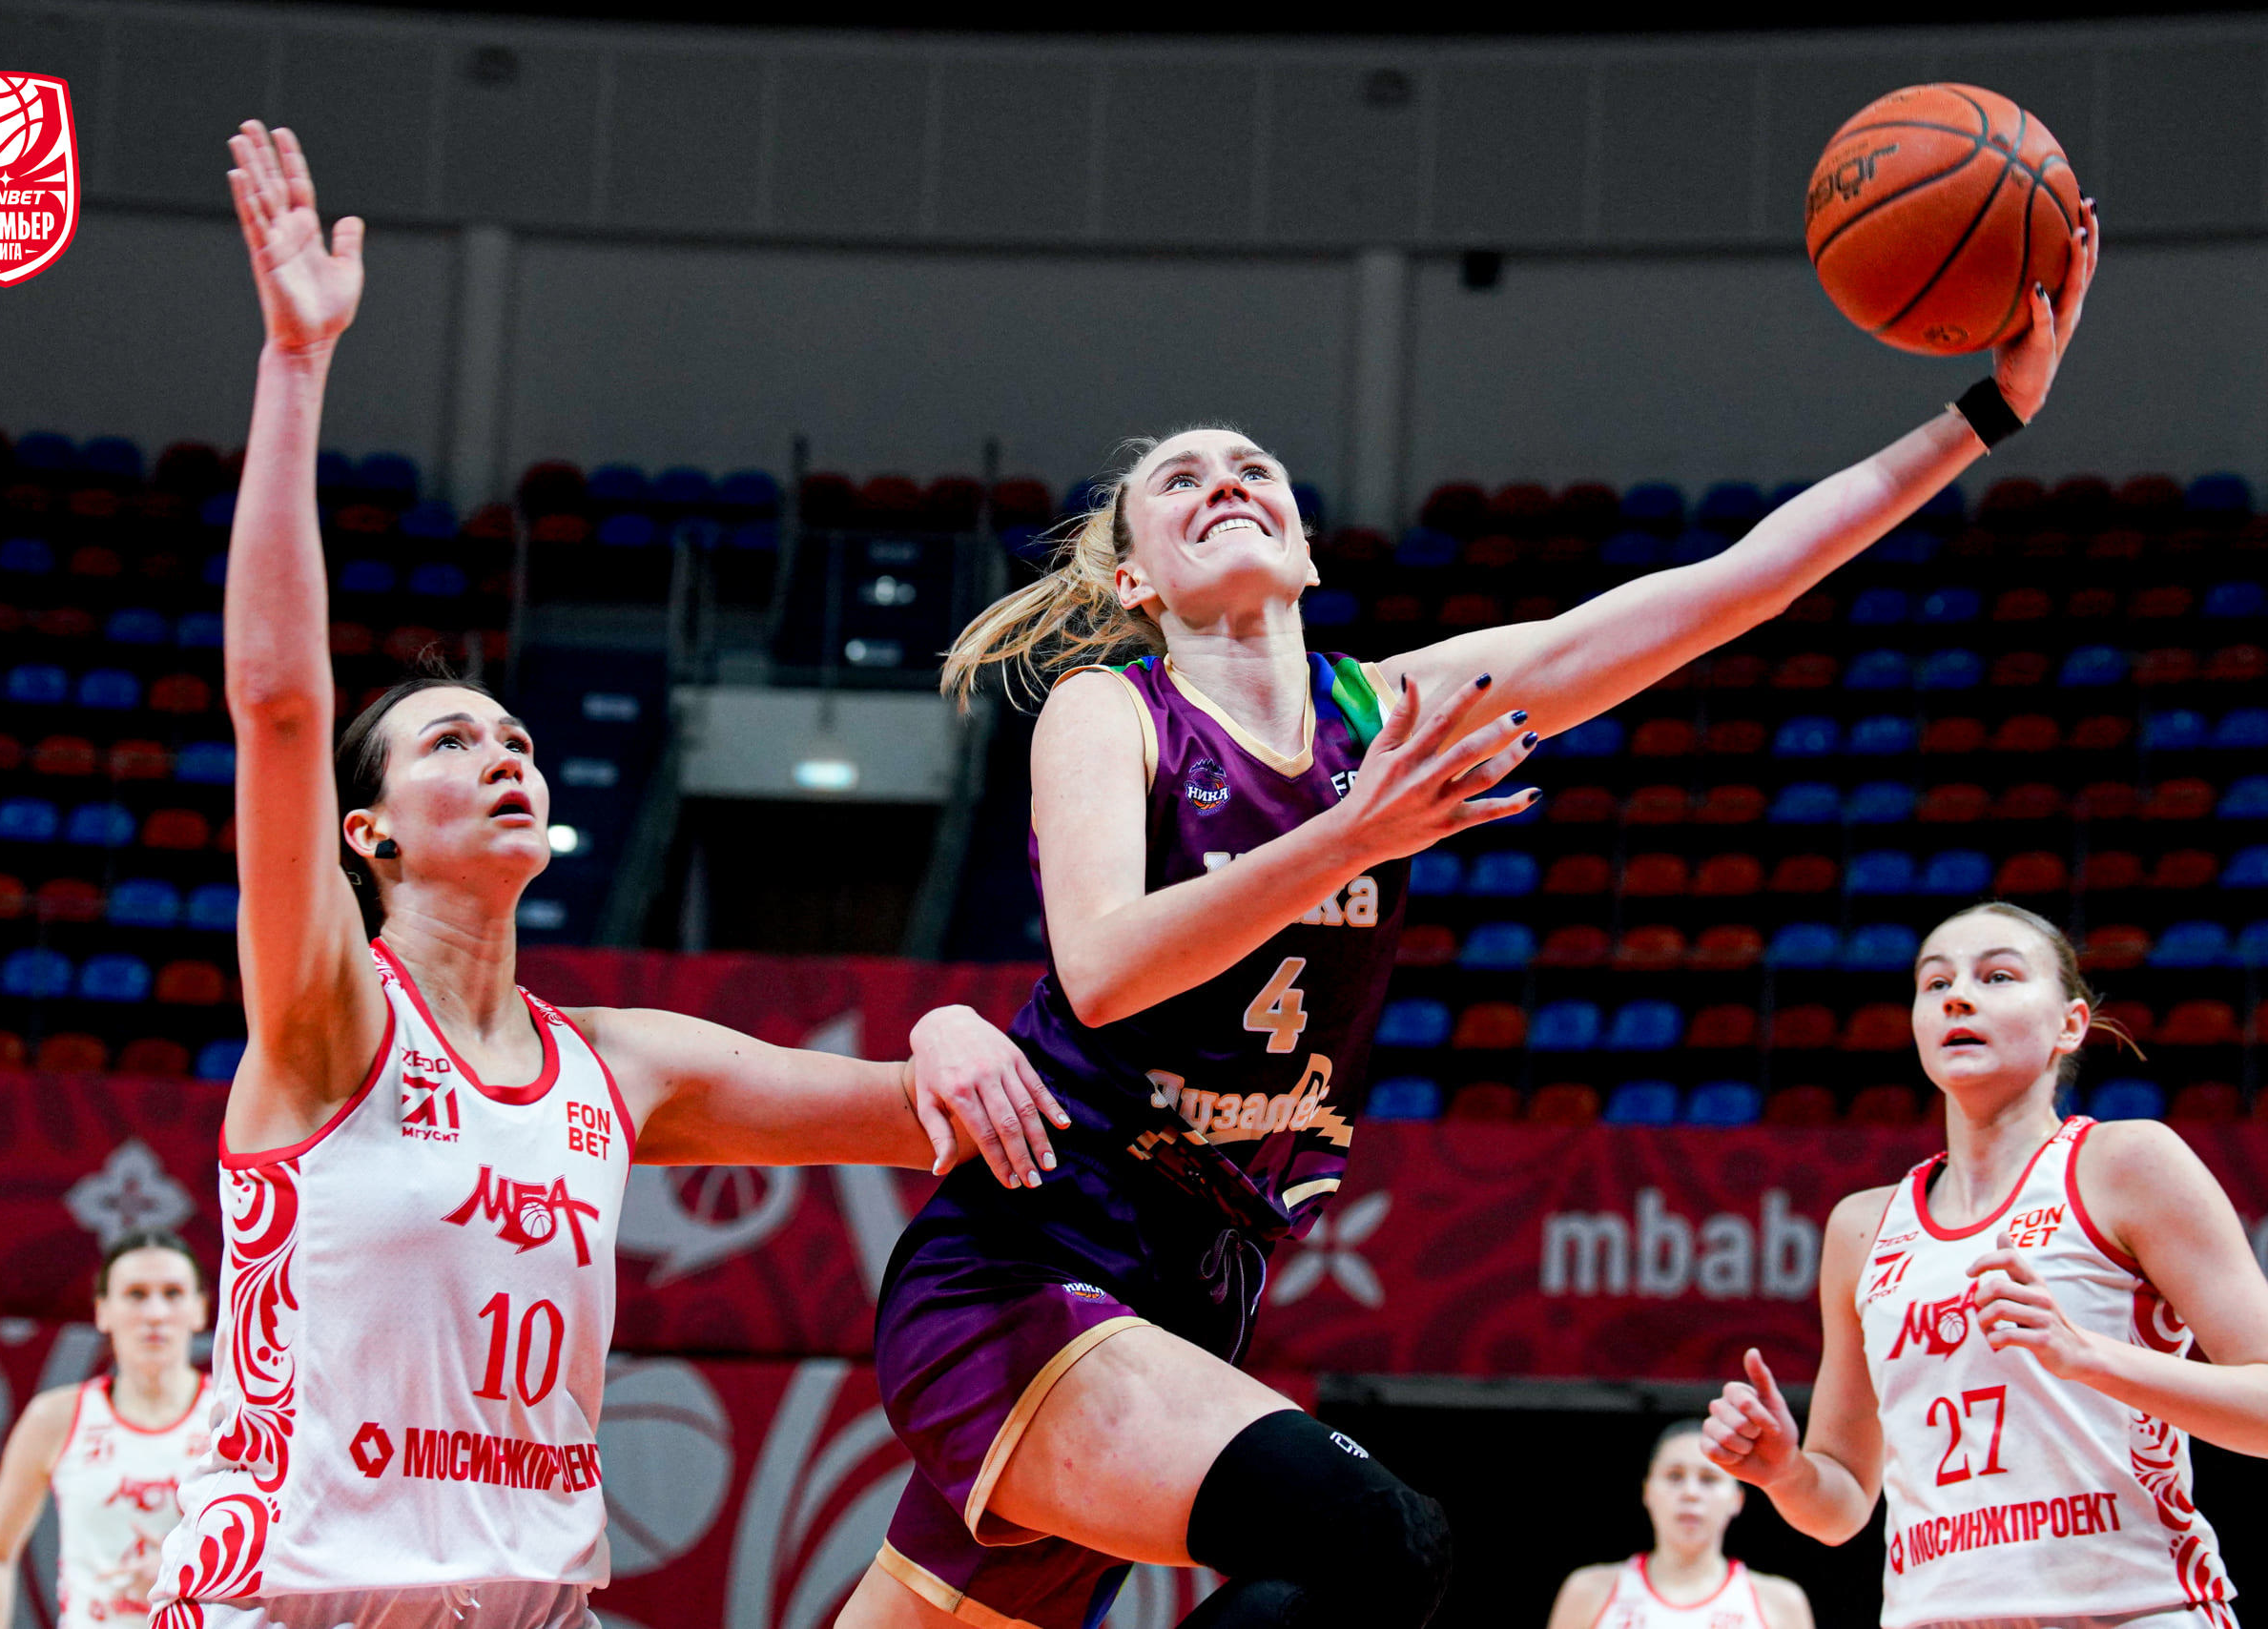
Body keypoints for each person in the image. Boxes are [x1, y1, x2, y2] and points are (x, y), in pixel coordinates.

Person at [839, 213, 2099, 1627]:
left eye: (1253, 469)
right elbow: (1105, 970)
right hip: (1035, 1259)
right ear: (1135, 580)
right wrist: (1350, 837)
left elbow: (1724, 593)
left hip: (1197, 1285)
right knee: (1381, 1546)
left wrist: (1983, 416)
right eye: (1178, 480)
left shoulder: (1387, 711)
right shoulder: (1109, 709)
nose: (1224, 480)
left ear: (1304, 549)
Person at [148, 122, 1061, 1629]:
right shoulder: (330, 1021)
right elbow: (282, 707)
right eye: (452, 742)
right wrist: (296, 367)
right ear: (369, 834)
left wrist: (954, 1032)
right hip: (298, 1597)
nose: (505, 754)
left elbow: (928, 1112)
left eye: (516, 738)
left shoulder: (616, 1066)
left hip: (537, 1603)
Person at [1704, 901, 2261, 1629]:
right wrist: (1785, 1473)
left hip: (2133, 1610)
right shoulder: (1862, 1227)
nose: (1958, 997)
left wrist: (2089, 1356)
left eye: (1997, 976)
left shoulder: (2127, 1163)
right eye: (1935, 983)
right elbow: (1840, 1505)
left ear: (2070, 1025)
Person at [0, 1230, 213, 1628]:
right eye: (136, 1294)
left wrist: (189, 1571)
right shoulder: (55, 1418)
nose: (155, 1312)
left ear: (200, 1309)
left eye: (173, 1293)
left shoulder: (232, 1419)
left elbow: (284, 1556)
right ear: (102, 1311)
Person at [1545, 1419, 1812, 1629]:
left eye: (1708, 1479)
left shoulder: (1780, 1602)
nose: (1690, 1493)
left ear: (1737, 1499)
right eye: (1675, 1476)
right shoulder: (1589, 1592)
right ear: (1648, 1491)